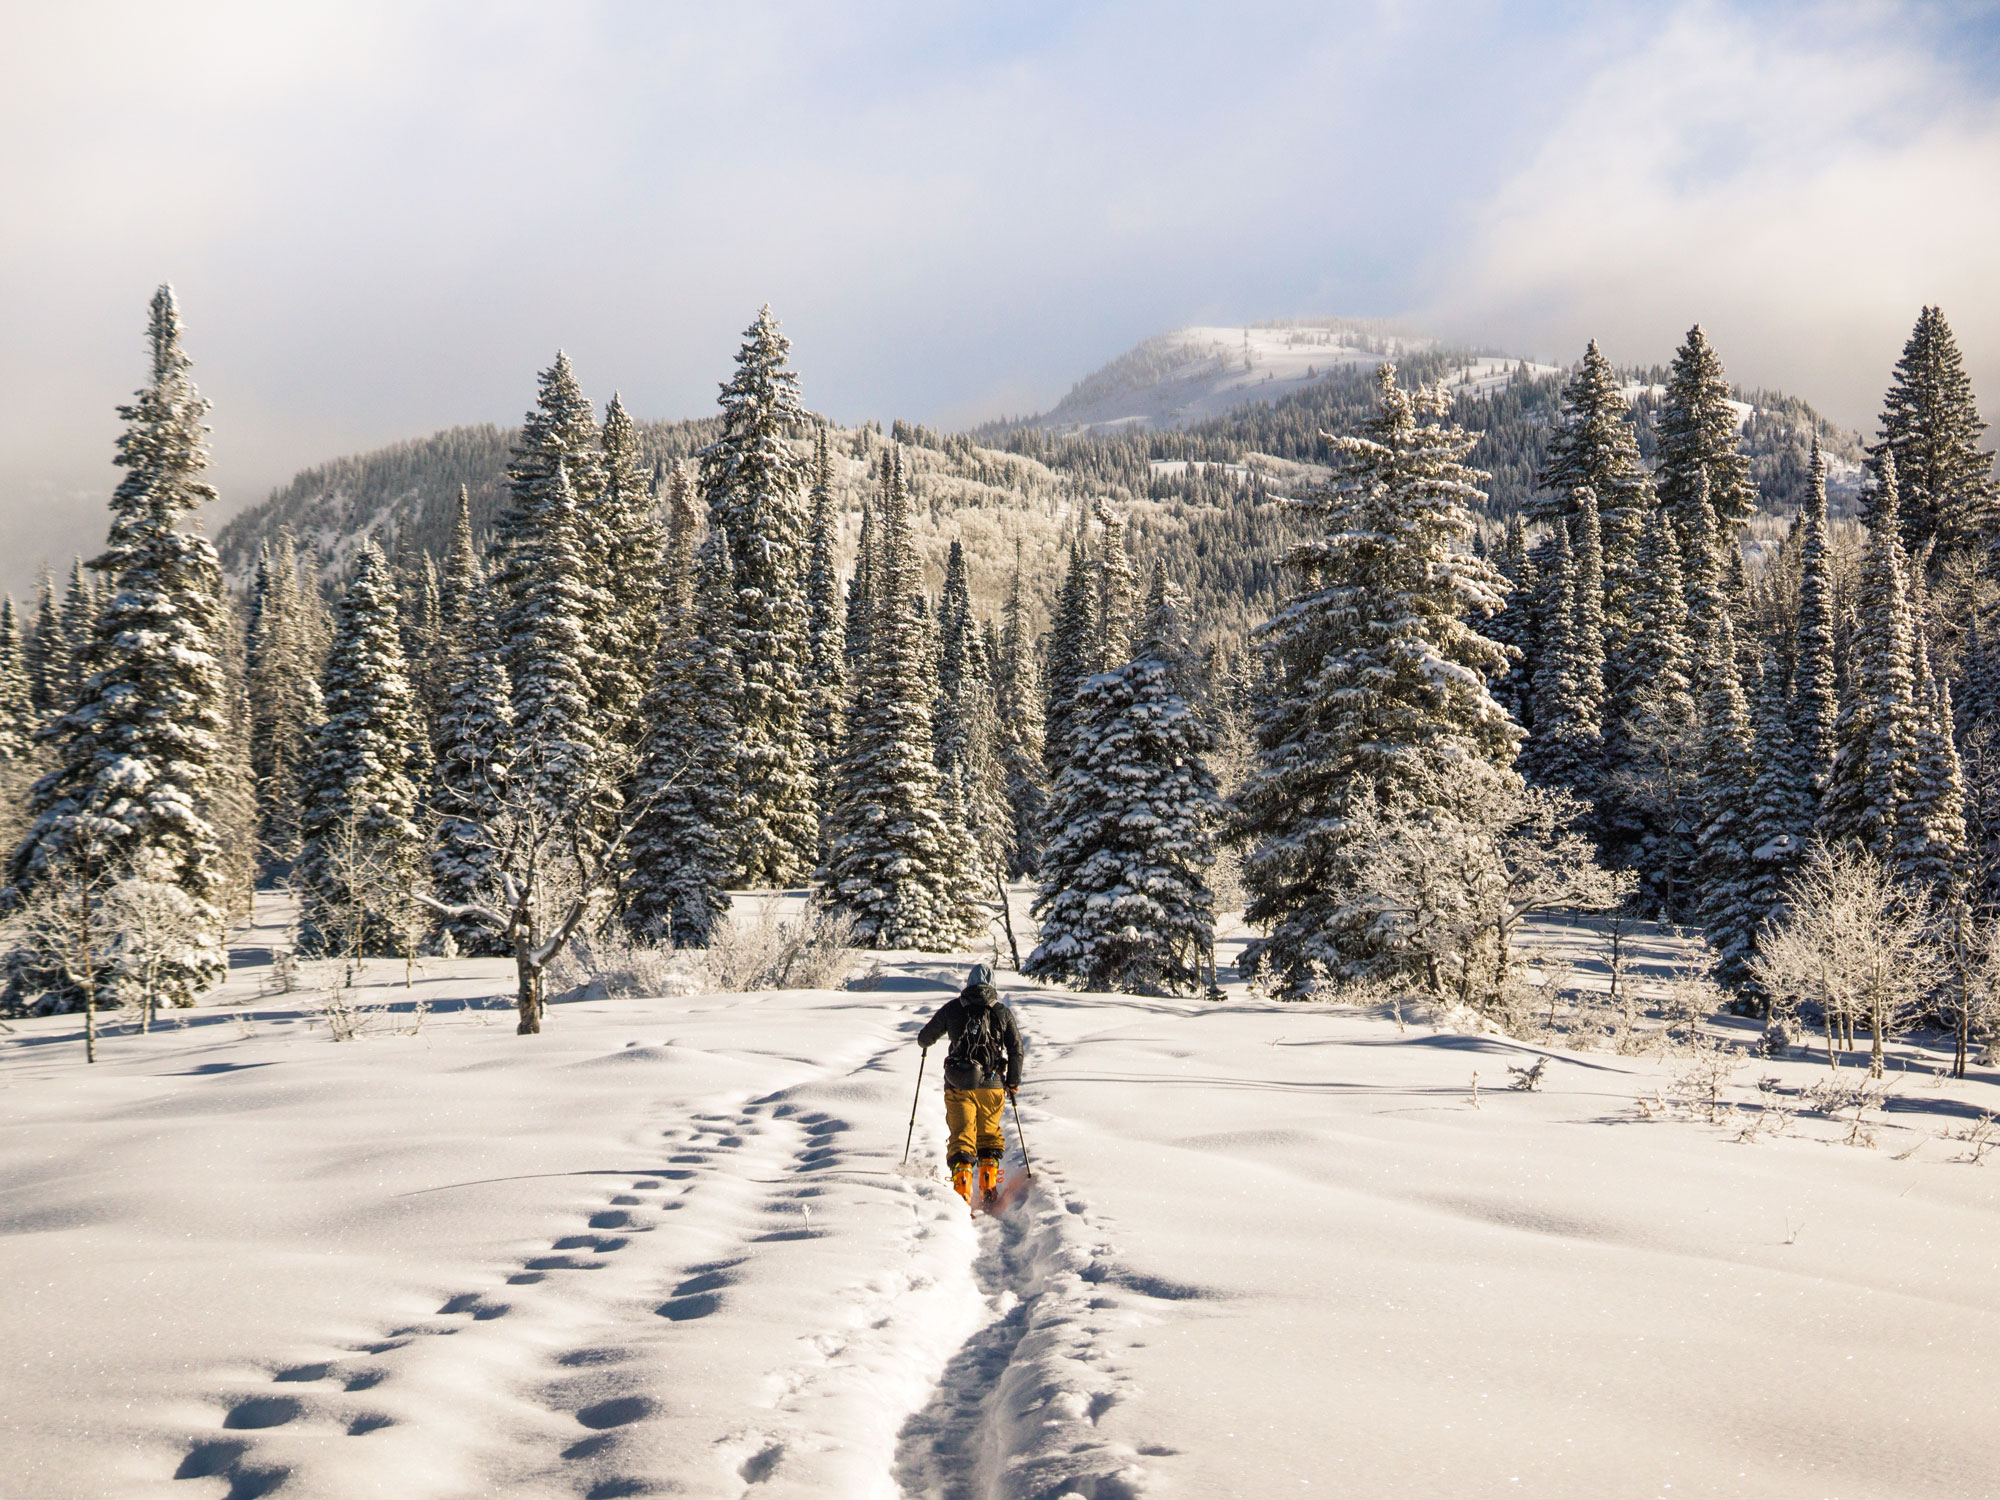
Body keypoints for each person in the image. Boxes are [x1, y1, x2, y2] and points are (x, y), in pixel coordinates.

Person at [917, 962, 1024, 1206]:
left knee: (962, 1138)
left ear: (968, 984)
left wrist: (926, 1045)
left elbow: (925, 1037)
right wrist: (1013, 1082)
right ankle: (988, 1185)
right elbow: (1016, 1048)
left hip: (957, 1084)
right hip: (992, 1085)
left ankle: (962, 1193)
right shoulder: (1001, 1011)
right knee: (988, 1137)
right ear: (993, 985)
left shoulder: (954, 1008)